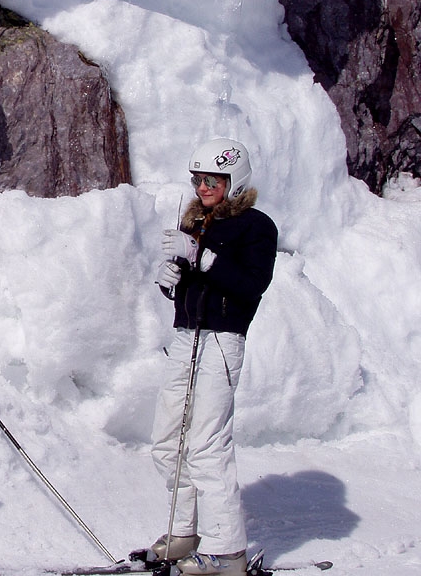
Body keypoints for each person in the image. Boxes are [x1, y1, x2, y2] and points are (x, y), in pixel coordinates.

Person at [149, 138, 278, 575]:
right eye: (198, 179)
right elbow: (195, 284)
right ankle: (184, 530)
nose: (203, 187)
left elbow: (251, 285)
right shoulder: (196, 224)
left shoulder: (256, 226)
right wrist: (173, 282)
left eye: (213, 180)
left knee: (206, 444)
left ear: (234, 180)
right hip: (187, 337)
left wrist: (200, 259)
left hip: (222, 342)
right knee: (168, 441)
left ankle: (229, 555)